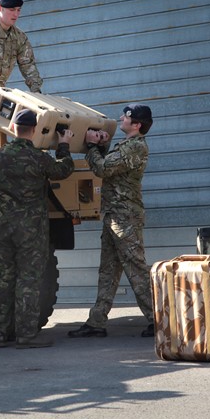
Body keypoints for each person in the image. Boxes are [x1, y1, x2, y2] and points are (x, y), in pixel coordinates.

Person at [68, 104, 155, 339]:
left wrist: (91, 146)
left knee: (136, 268)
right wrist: (102, 145)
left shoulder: (135, 147)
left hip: (125, 218)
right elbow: (111, 163)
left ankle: (159, 319)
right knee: (108, 271)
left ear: (136, 124)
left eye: (126, 117)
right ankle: (96, 321)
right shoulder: (126, 145)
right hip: (114, 215)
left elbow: (104, 169)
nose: (120, 119)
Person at [0, 109, 74, 349]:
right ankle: (26, 334)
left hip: (3, 227)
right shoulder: (38, 158)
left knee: (2, 279)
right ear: (35, 130)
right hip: (30, 229)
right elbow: (63, 170)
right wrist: (64, 145)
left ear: (14, 128)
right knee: (28, 280)